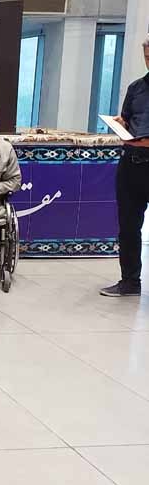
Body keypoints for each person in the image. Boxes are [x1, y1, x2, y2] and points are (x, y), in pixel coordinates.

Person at [101, 35, 149, 297]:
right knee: (129, 226)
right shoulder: (136, 88)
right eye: (147, 56)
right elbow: (128, 120)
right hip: (132, 162)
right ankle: (130, 281)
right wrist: (121, 124)